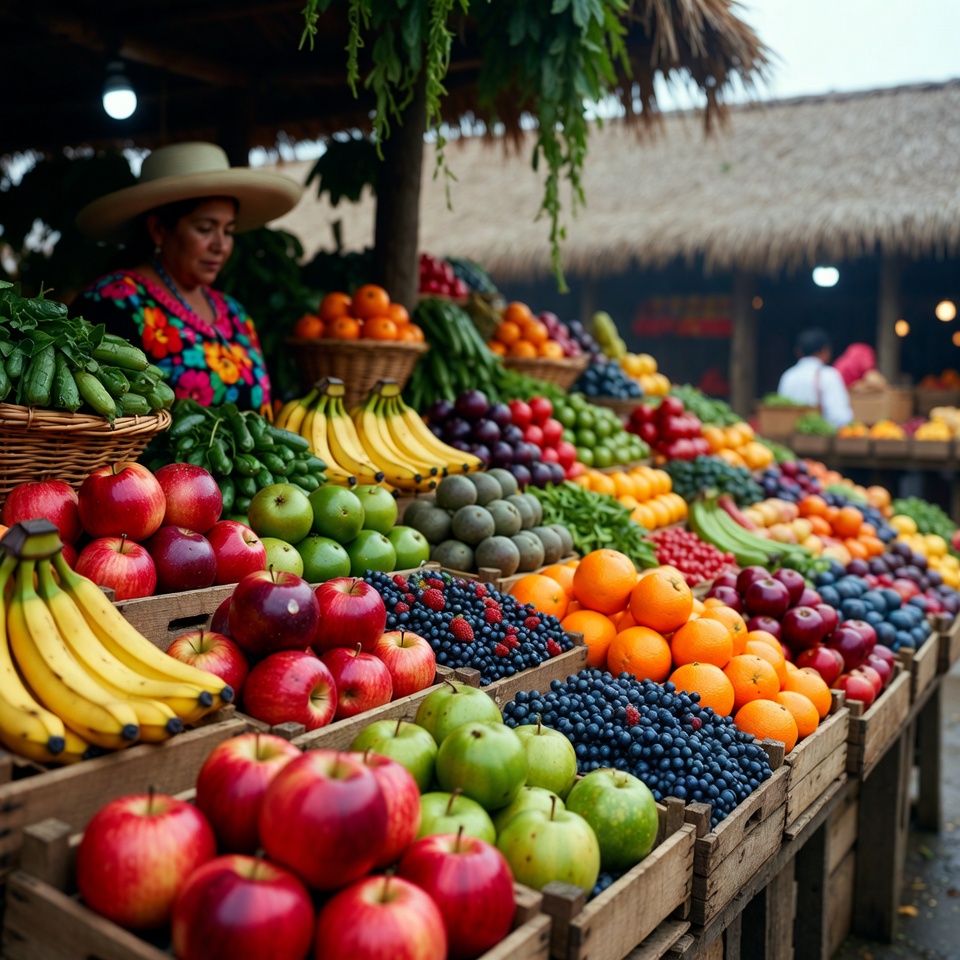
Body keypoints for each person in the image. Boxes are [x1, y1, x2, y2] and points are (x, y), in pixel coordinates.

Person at [74, 142, 302, 416]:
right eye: (205, 228)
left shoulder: (234, 313)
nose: (221, 245)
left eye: (228, 231)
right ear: (158, 229)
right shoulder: (113, 301)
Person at [777, 328, 853, 427]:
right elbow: (840, 417)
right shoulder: (829, 375)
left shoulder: (788, 376)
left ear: (798, 351)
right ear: (825, 350)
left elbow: (779, 412)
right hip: (821, 440)